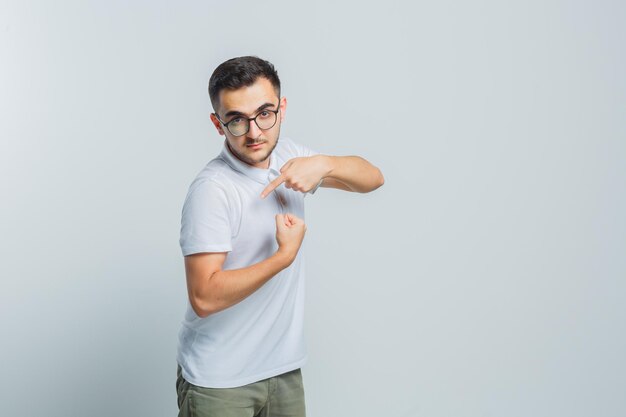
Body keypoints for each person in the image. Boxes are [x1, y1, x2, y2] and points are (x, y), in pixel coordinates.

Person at [176, 56, 384, 417]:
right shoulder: (212, 189)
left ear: (281, 108)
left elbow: (373, 178)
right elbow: (204, 297)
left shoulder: (289, 155)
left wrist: (325, 164)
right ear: (217, 123)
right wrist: (281, 258)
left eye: (264, 113)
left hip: (283, 370)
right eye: (237, 120)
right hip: (220, 383)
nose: (255, 132)